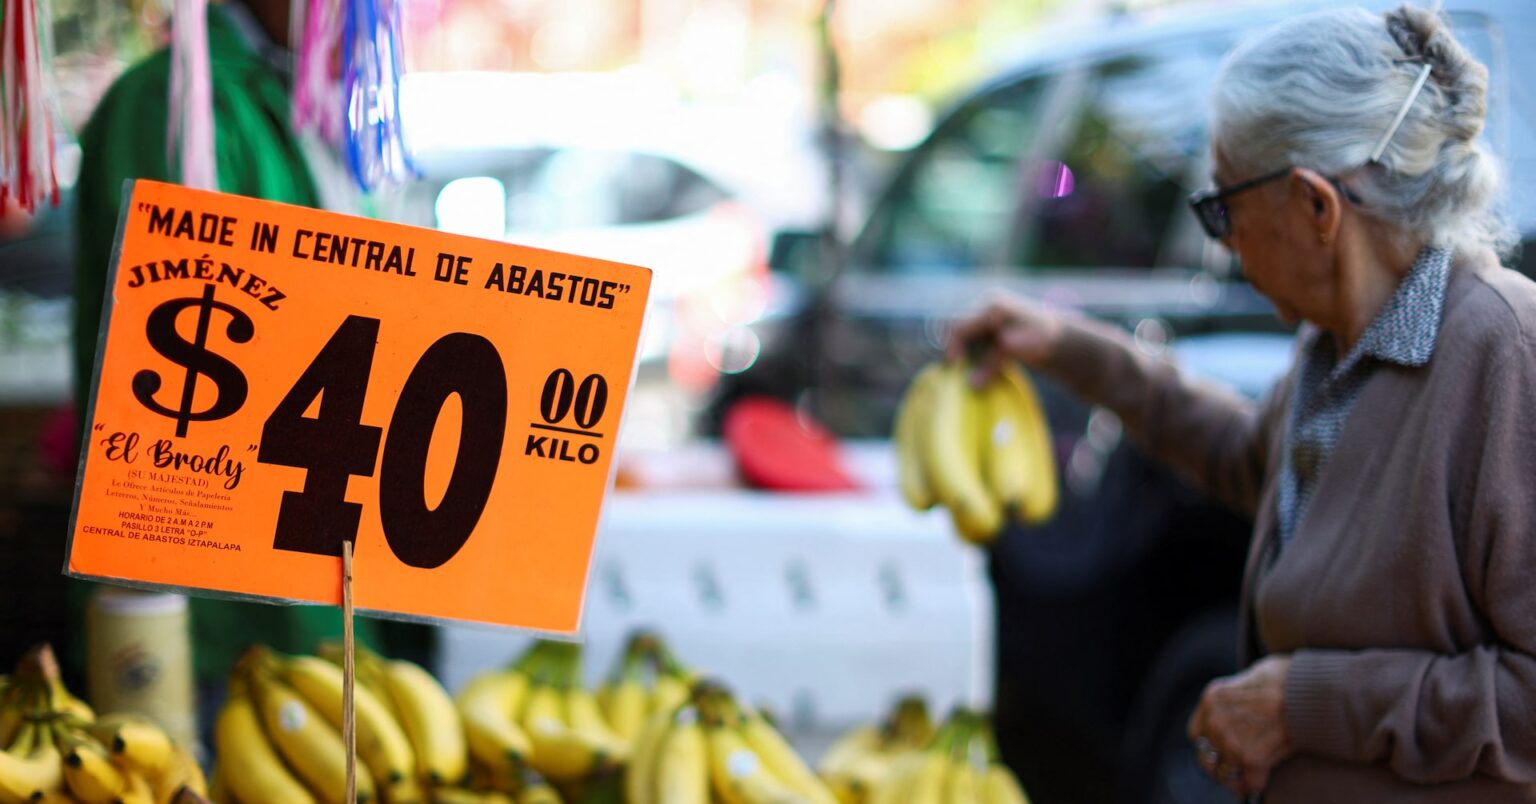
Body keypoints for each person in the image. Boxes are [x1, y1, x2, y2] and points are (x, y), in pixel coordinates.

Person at [949, 5, 1536, 800]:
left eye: (1222, 206)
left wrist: (1306, 707)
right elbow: (1245, 458)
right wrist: (1069, 349)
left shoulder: (1503, 352)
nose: (1220, 242)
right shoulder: (1336, 345)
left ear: (1316, 208)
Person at [70, 0, 425, 706]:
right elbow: (178, 377)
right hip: (220, 618)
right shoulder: (174, 104)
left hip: (329, 573)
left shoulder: (319, 106)